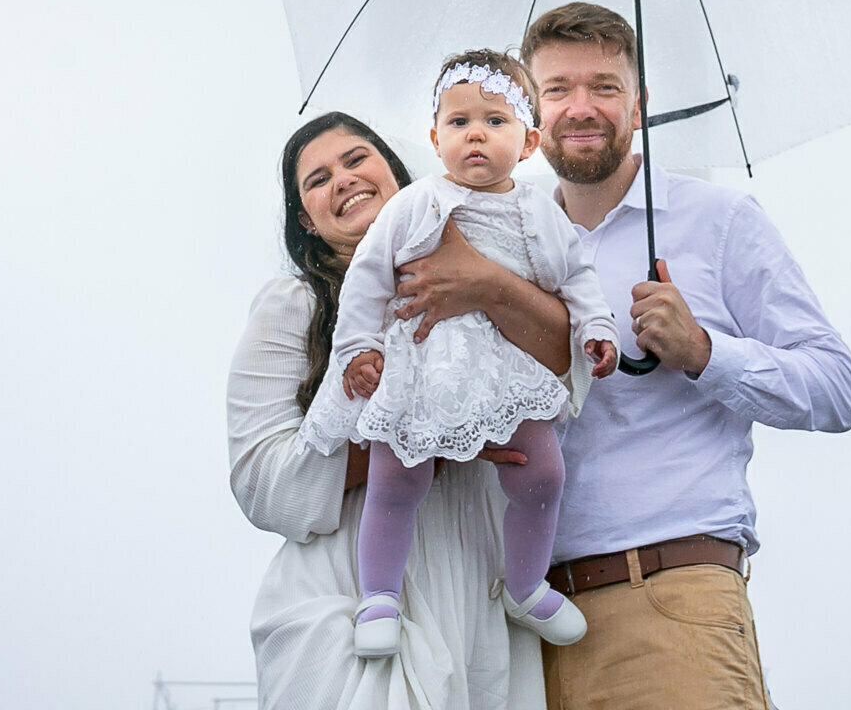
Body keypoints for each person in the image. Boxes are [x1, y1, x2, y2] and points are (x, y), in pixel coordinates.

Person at [520, 3, 851, 710]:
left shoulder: (719, 221)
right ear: (531, 111)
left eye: (605, 87)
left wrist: (706, 352)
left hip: (667, 605)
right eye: (557, 90)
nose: (580, 108)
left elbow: (837, 388)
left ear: (639, 104)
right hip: (519, 633)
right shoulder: (510, 245)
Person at [227, 111, 589, 710]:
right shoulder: (290, 306)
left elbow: (569, 378)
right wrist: (419, 436)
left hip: (476, 589)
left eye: (355, 159)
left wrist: (490, 287)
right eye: (317, 180)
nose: (341, 180)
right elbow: (260, 483)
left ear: (399, 175)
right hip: (345, 596)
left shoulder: (492, 269)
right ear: (306, 221)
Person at [299, 51, 621, 657]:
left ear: (528, 142)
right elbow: (368, 280)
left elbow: (578, 278)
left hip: (506, 367)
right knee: (397, 481)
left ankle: (525, 586)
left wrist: (596, 330)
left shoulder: (540, 213)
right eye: (459, 122)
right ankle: (379, 596)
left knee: (543, 472)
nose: (475, 134)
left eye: (495, 122)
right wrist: (359, 349)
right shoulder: (414, 203)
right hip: (424, 362)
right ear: (434, 137)